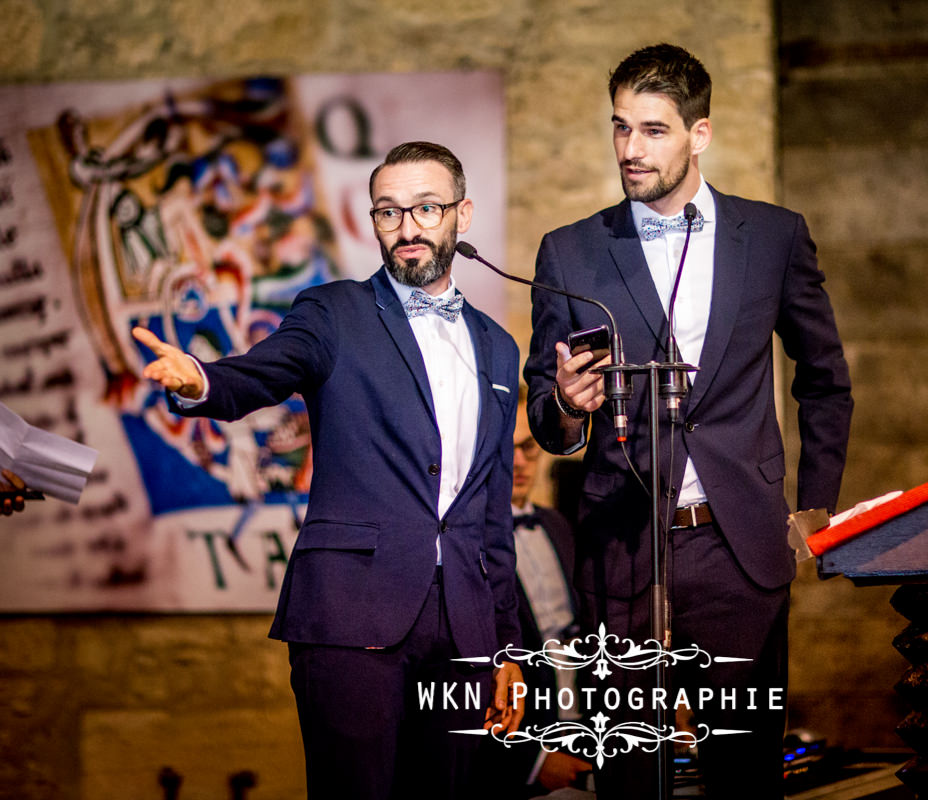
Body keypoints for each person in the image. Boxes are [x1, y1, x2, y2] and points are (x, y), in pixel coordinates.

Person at [133, 141, 525, 800]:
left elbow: (490, 512)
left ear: (463, 214)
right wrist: (201, 380)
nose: (407, 228)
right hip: (353, 612)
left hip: (465, 624)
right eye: (388, 212)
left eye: (427, 208)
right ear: (373, 222)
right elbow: (262, 371)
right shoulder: (333, 312)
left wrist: (508, 647)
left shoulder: (498, 345)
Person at [524, 44, 853, 799]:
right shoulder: (569, 252)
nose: (630, 150)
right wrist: (568, 408)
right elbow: (545, 413)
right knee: (631, 780)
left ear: (699, 134)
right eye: (619, 128)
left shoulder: (772, 238)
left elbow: (826, 377)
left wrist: (814, 504)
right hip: (621, 549)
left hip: (738, 545)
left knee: (743, 774)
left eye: (653, 130)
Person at [481, 391, 592, 798]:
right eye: (507, 449)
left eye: (529, 447)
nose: (521, 461)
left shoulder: (559, 525)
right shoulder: (466, 541)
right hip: (513, 759)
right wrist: (532, 761)